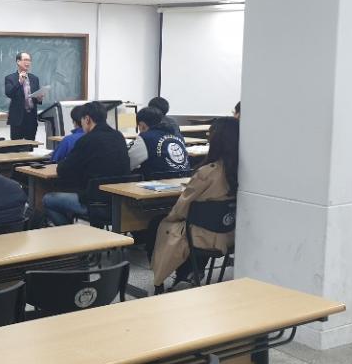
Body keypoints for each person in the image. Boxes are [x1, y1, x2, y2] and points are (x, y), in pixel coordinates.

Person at [150, 117, 239, 293]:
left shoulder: (207, 172)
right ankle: (192, 272)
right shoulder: (240, 171)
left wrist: (170, 217)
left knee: (158, 224)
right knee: (201, 223)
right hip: (229, 235)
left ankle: (161, 280)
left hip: (201, 237)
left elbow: (181, 209)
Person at [44, 101, 131, 225]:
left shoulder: (87, 140)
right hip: (119, 201)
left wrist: (63, 162)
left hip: (94, 202)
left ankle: (69, 232)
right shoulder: (119, 136)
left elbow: (63, 170)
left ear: (87, 119)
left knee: (48, 199)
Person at [128, 106, 191, 179]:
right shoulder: (178, 136)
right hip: (184, 180)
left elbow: (127, 163)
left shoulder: (146, 138)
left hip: (158, 182)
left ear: (142, 125)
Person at [5, 51, 42, 140]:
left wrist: (39, 98)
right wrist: (19, 82)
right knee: (16, 145)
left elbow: (35, 98)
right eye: (25, 60)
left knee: (31, 145)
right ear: (18, 62)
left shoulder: (34, 78)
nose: (28, 62)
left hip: (31, 118)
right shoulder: (10, 78)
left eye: (29, 60)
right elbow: (9, 93)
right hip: (17, 119)